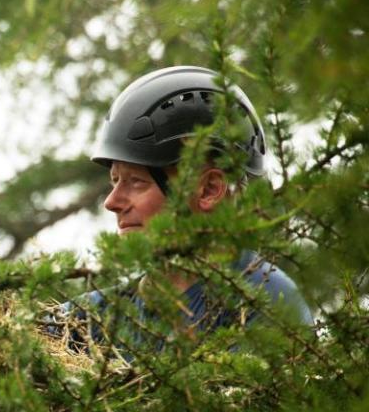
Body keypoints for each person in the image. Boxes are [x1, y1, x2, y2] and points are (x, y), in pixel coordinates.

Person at [48, 66, 313, 356]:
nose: (111, 202)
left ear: (209, 189)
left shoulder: (267, 306)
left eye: (136, 181)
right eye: (115, 180)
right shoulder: (92, 321)